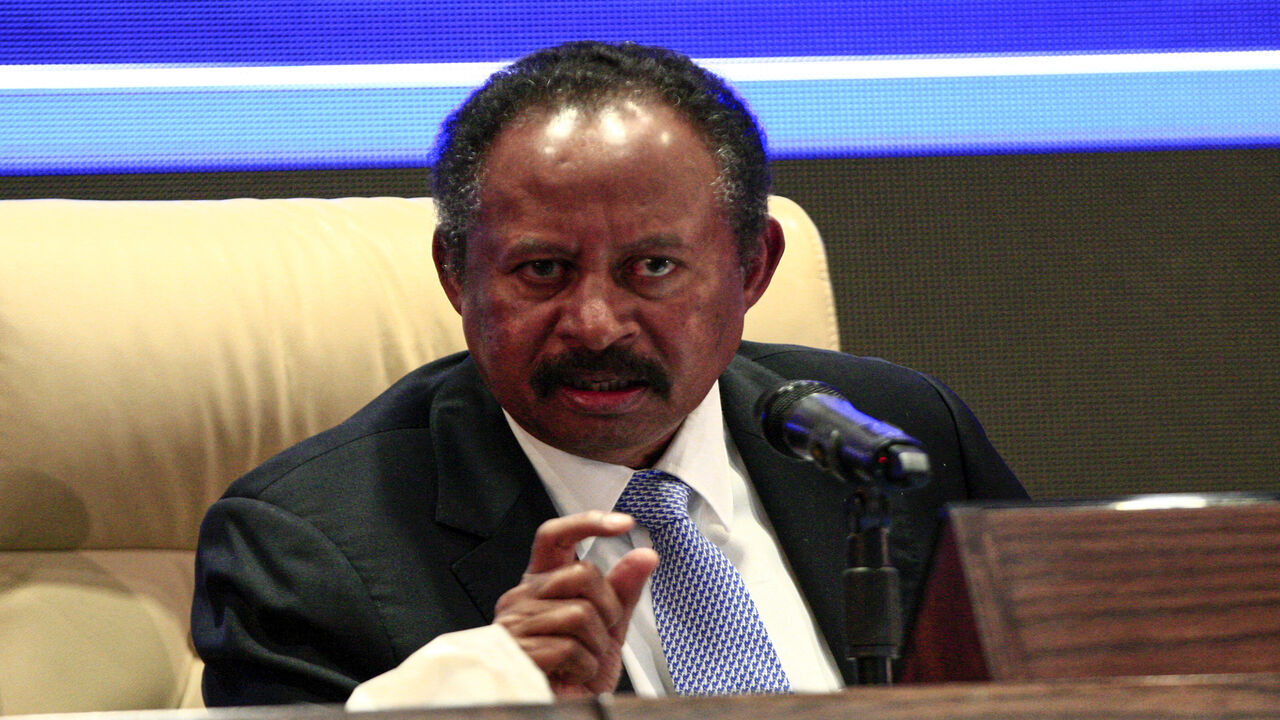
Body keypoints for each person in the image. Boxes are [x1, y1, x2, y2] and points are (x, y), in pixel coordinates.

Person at [191, 40, 1027, 705]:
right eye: (543, 270)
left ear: (751, 268)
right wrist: (488, 700)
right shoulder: (304, 548)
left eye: (654, 267)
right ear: (457, 275)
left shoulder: (889, 435)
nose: (595, 323)